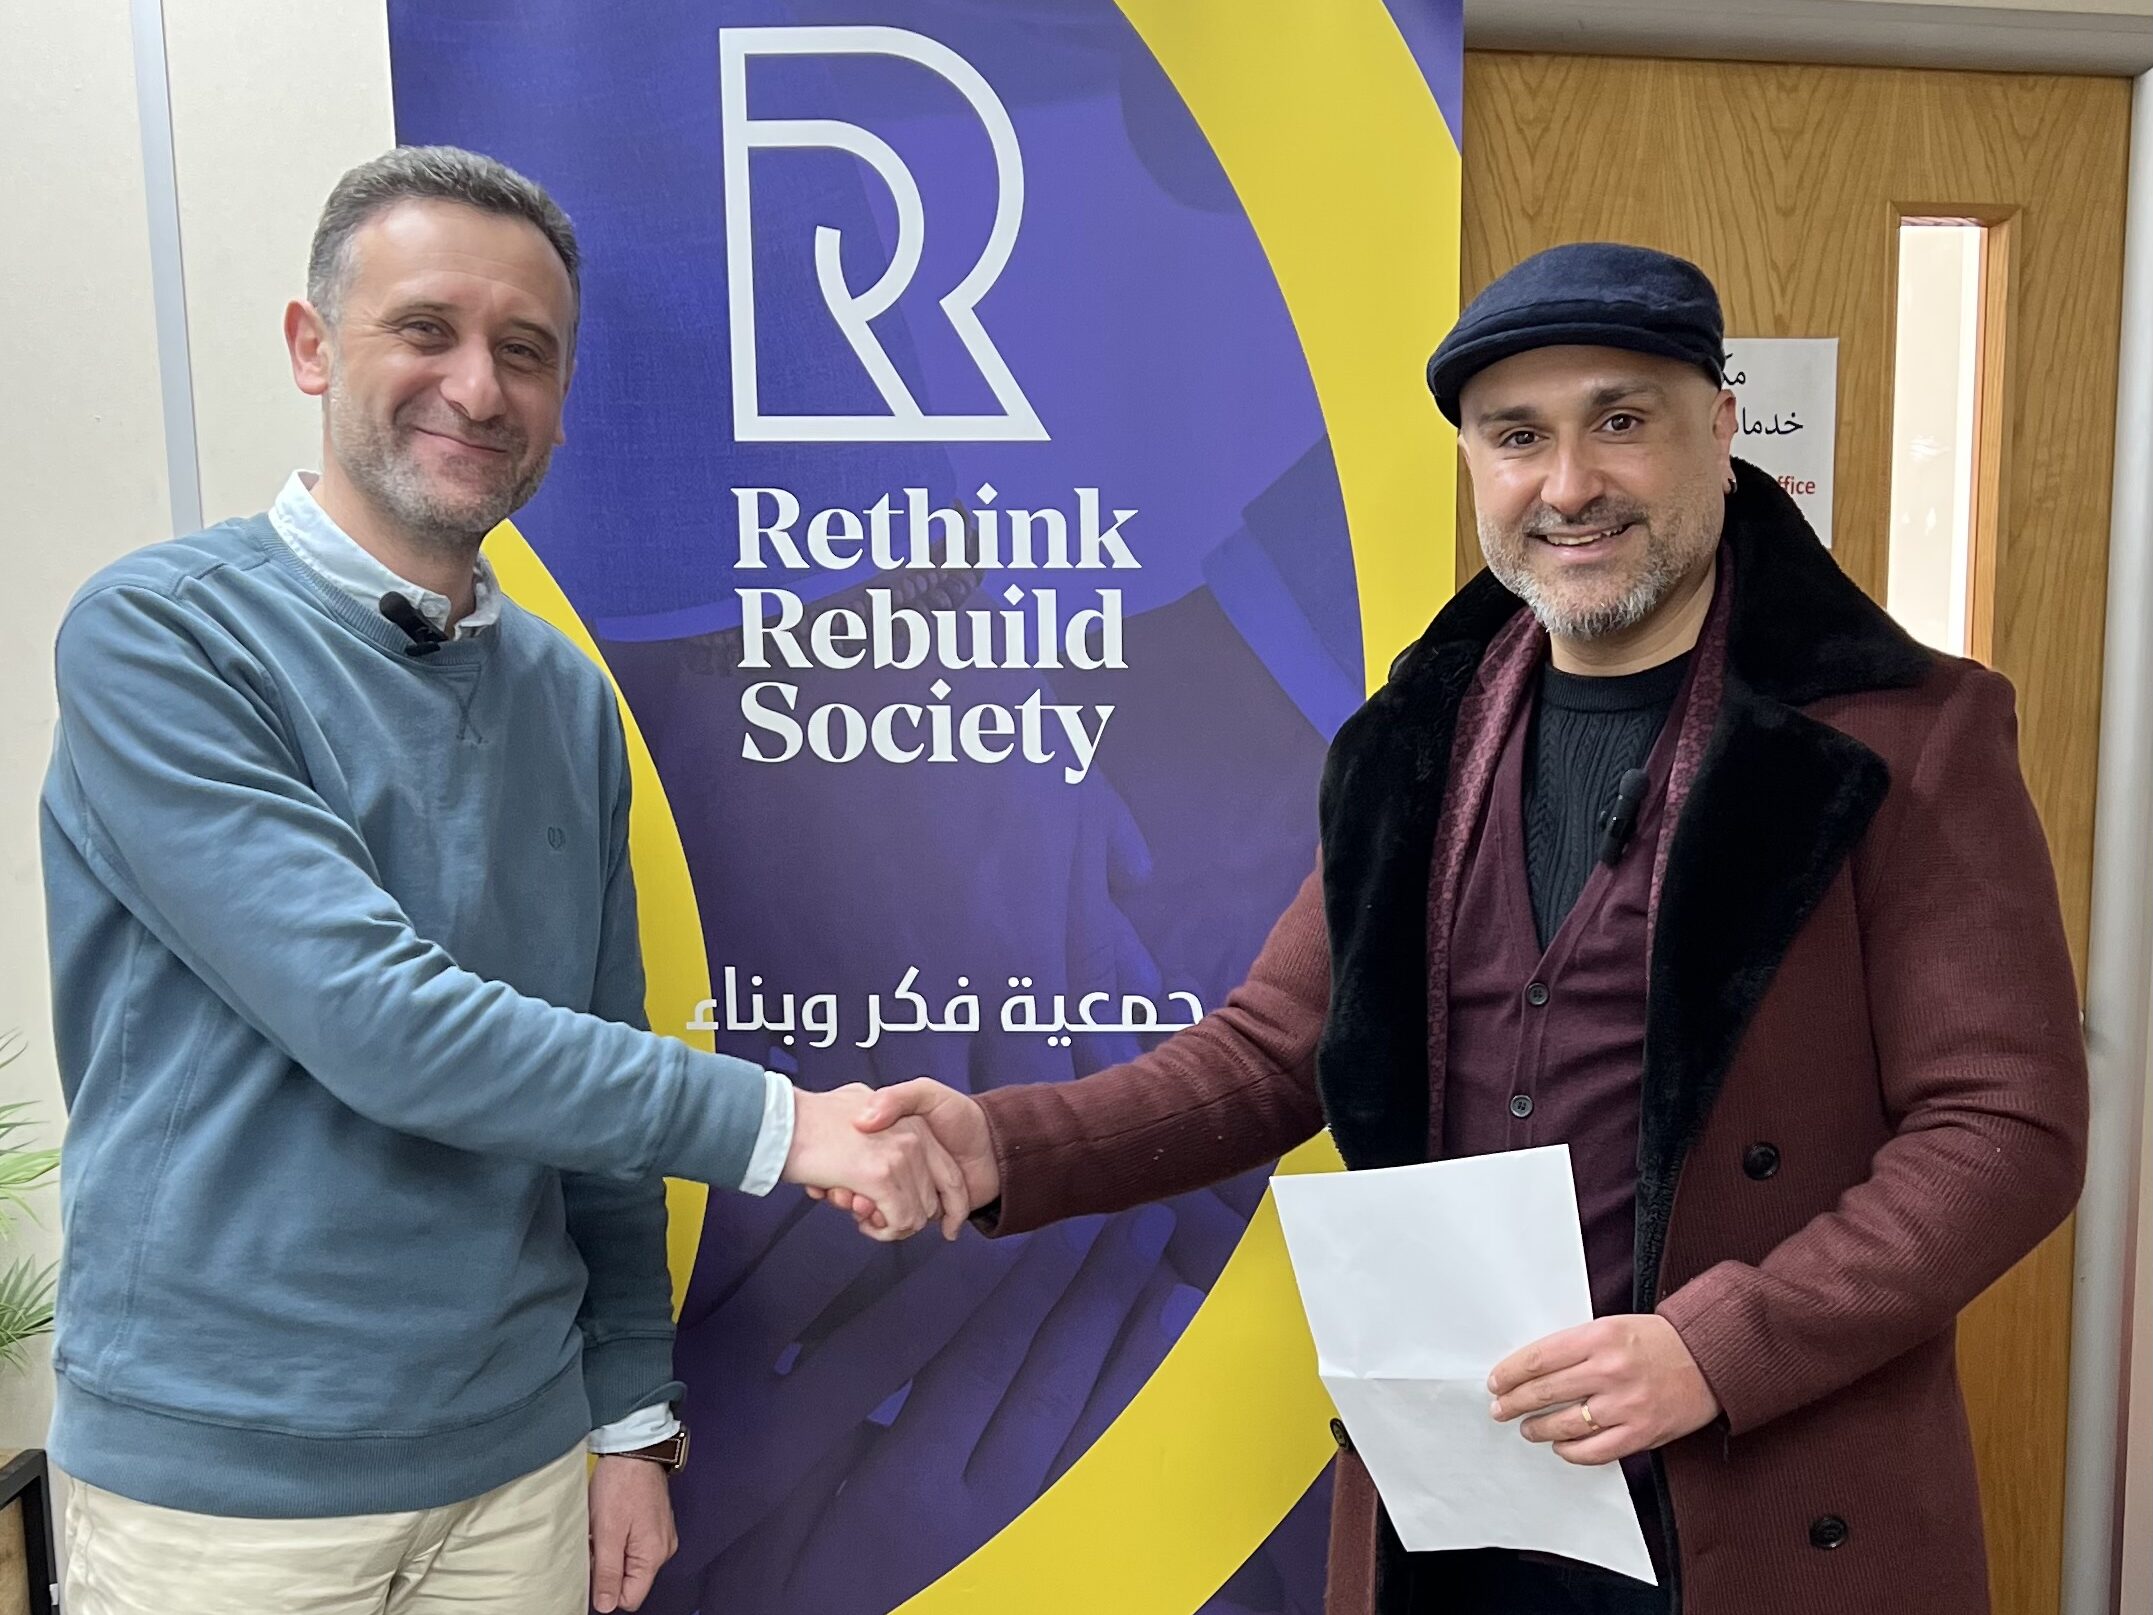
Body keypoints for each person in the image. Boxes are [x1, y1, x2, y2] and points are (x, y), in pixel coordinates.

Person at [831, 243, 2090, 1614]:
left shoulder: (1908, 733)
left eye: (1620, 421)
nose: (1567, 485)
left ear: (1719, 431)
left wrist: (1715, 1349)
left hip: (1763, 1492)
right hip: (1461, 1497)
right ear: (1476, 468)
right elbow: (1268, 1055)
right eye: (1517, 438)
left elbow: (2001, 1126)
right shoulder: (1408, 742)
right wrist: (1002, 1145)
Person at [40, 145, 964, 1615]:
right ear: (309, 345)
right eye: (425, 329)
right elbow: (377, 1021)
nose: (477, 388)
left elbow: (590, 1061)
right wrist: (787, 1126)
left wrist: (628, 1419)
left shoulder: (561, 696)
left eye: (522, 353)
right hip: (226, 1498)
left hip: (522, 1473)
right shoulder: (161, 637)